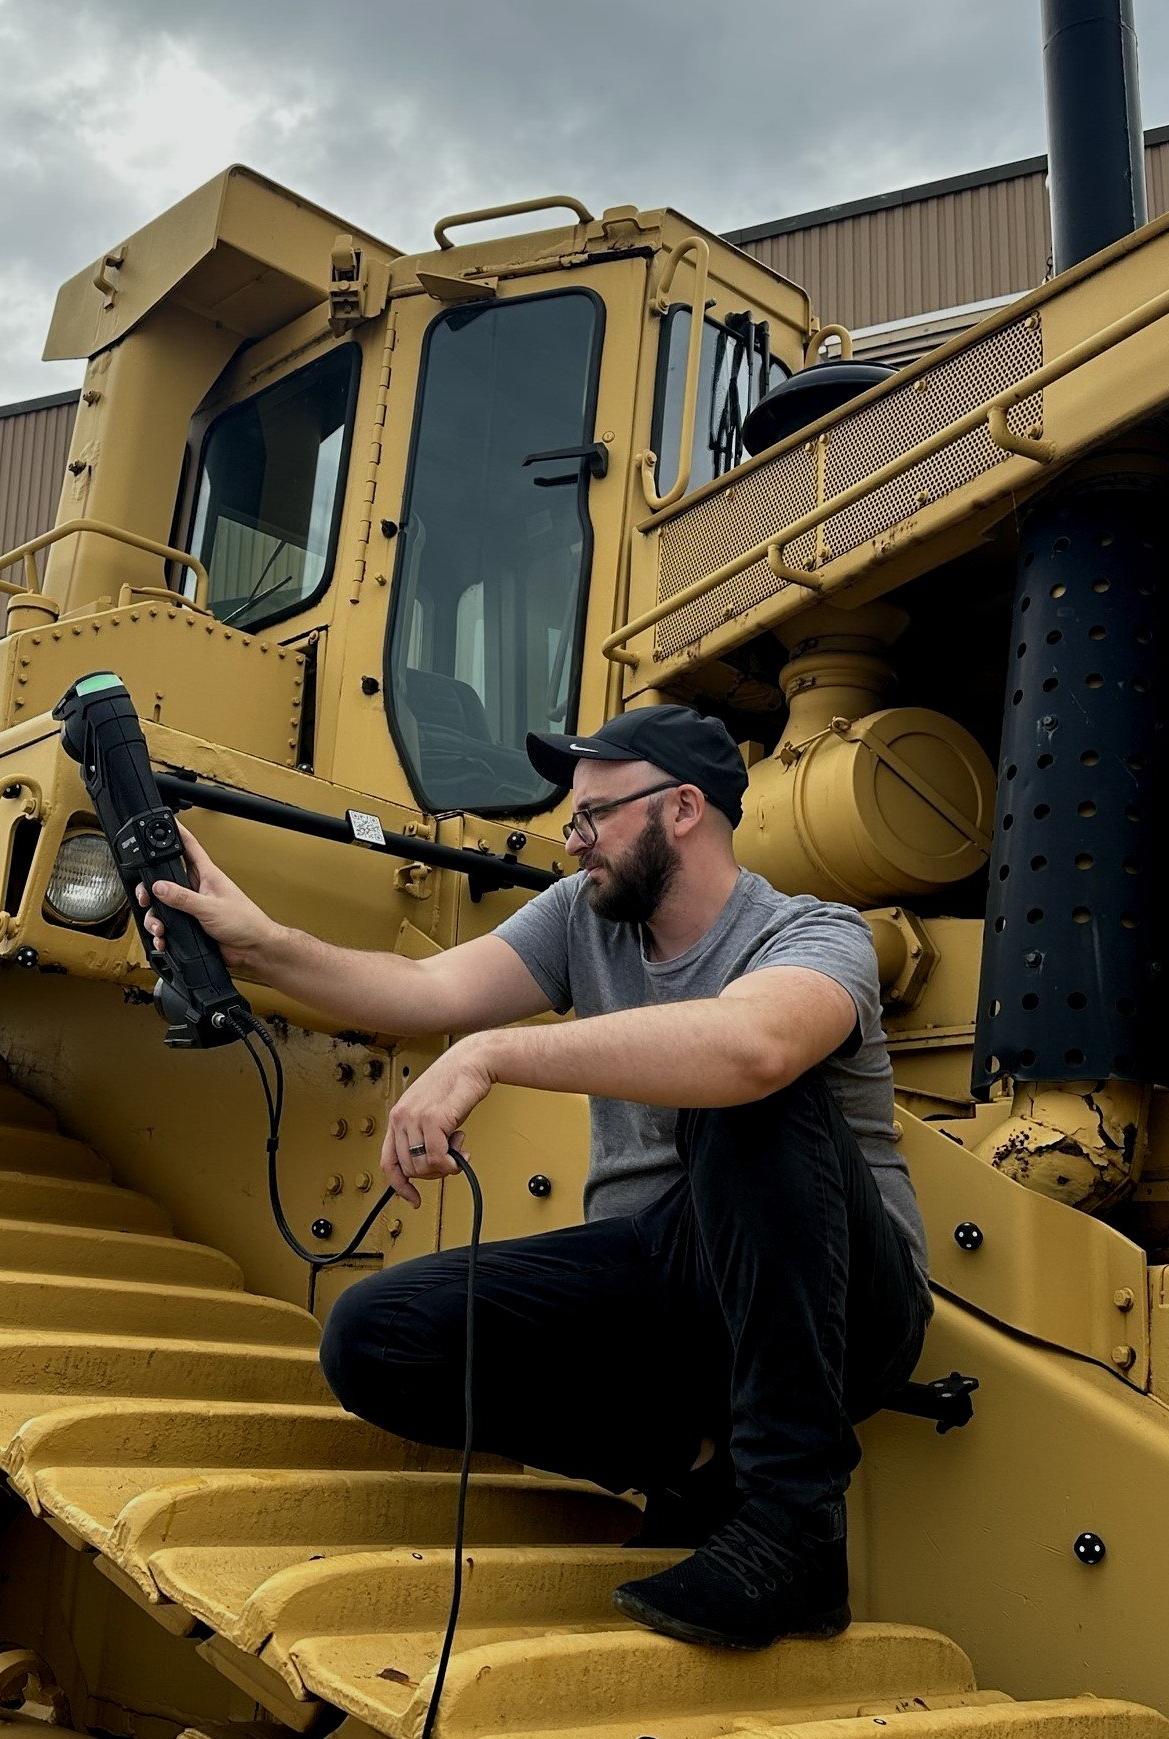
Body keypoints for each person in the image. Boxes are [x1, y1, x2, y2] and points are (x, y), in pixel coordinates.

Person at [142, 705, 930, 1650]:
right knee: (376, 1338)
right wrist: (259, 941)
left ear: (682, 809)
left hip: (843, 1310)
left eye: (594, 814)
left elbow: (755, 1046)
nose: (573, 837)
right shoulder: (582, 918)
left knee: (750, 1093)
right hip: (663, 1295)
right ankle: (695, 1474)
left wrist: (493, 1056)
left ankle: (793, 1529)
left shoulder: (814, 935)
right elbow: (425, 992)